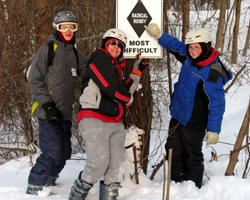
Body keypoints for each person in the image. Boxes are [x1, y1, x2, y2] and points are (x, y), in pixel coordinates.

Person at [144, 24, 232, 188]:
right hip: (177, 116)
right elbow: (176, 46)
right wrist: (159, 35)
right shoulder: (190, 58)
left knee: (192, 156)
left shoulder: (212, 72)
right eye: (190, 48)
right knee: (173, 151)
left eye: (197, 48)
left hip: (195, 122)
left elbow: (217, 103)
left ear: (206, 47)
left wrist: (214, 129)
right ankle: (177, 185)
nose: (193, 51)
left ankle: (192, 188)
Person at [68, 28, 148, 200]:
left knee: (116, 165)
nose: (116, 47)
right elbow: (114, 90)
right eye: (112, 42)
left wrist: (136, 72)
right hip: (94, 118)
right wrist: (126, 98)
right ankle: (76, 195)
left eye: (120, 45)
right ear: (105, 43)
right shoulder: (99, 58)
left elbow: (123, 90)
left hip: (116, 122)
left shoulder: (116, 70)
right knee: (97, 164)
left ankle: (109, 196)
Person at [26, 11, 88, 195]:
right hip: (46, 112)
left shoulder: (75, 54)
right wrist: (47, 105)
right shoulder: (47, 50)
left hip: (65, 113)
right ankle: (34, 185)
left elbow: (92, 68)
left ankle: (49, 179)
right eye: (64, 27)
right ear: (57, 28)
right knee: (51, 151)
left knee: (63, 154)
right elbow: (34, 79)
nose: (68, 31)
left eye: (71, 27)